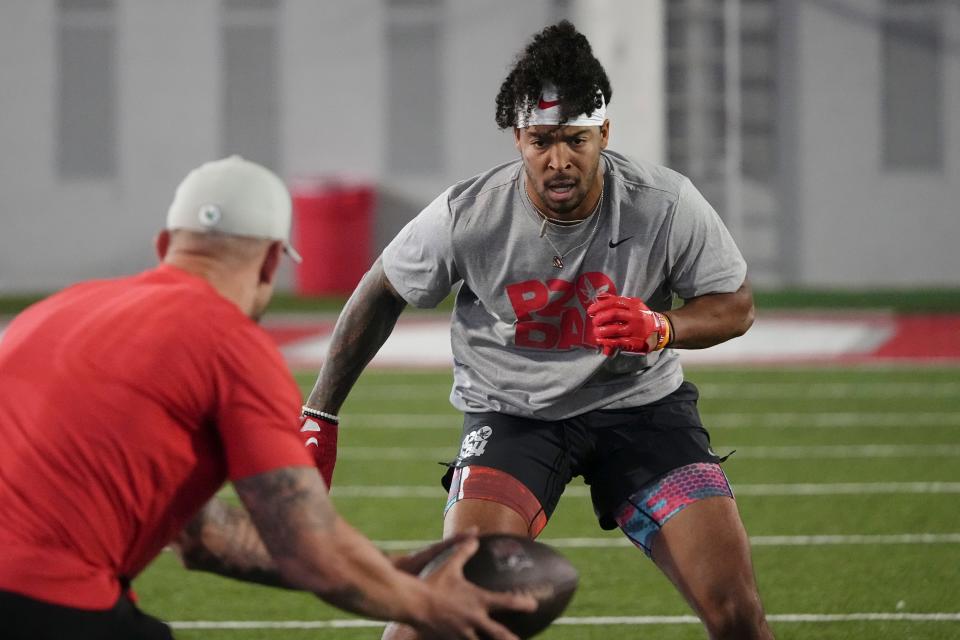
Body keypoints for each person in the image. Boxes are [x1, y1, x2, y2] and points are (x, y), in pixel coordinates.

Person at [304, 21, 775, 640]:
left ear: (604, 132)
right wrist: (321, 414)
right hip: (512, 414)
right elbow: (381, 289)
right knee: (457, 601)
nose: (558, 160)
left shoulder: (663, 202)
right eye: (541, 140)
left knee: (737, 612)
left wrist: (664, 326)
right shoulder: (469, 213)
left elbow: (735, 304)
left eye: (576, 140)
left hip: (641, 407)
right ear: (518, 138)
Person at [0, 156, 534, 640]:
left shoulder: (52, 312)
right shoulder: (229, 346)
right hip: (43, 597)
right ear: (270, 263)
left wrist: (384, 570)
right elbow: (307, 549)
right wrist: (430, 605)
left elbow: (203, 536)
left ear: (165, 246)